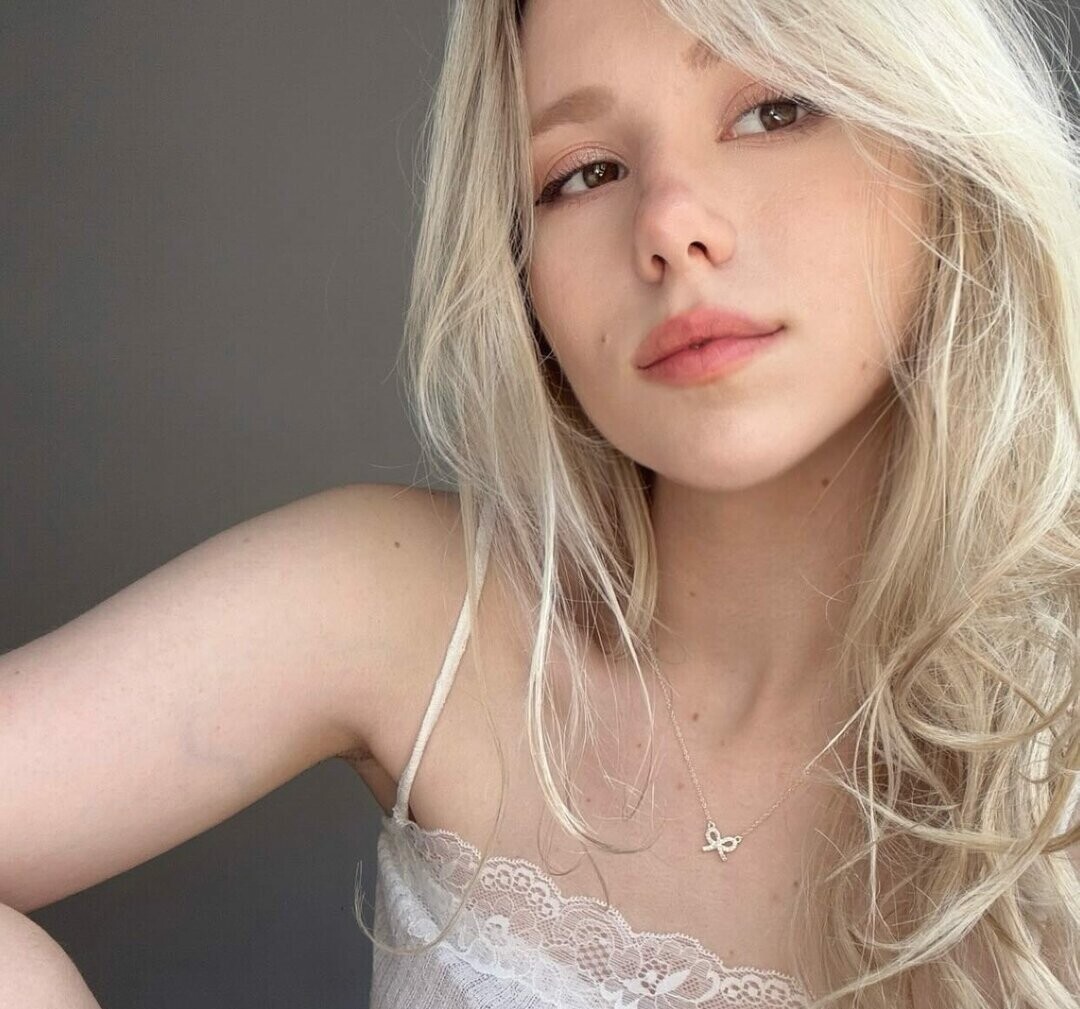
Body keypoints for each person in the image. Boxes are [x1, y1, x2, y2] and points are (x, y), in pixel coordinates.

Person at [2, 0, 1078, 1006]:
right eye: (584, 172)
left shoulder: (1056, 753)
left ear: (942, 143)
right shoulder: (413, 612)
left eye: (773, 111)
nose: (671, 224)